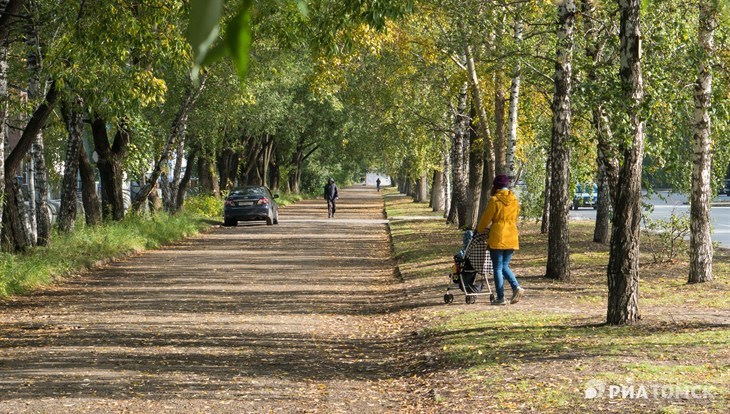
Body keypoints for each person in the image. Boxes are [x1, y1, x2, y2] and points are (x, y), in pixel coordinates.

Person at [476, 174, 524, 305]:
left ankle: (501, 297)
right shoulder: (514, 199)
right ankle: (516, 287)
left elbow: (486, 218)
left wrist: (479, 230)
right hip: (511, 235)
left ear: (496, 186)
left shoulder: (494, 200)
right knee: (504, 266)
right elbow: (516, 216)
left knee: (497, 267)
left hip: (498, 236)